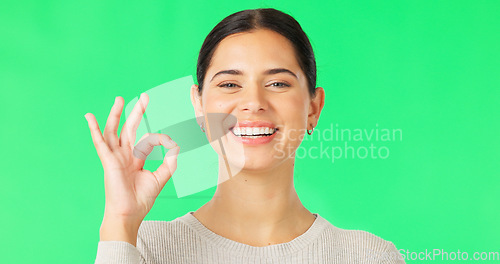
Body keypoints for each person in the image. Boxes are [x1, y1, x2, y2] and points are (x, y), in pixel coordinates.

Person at [85, 8, 405, 264]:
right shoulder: (141, 250)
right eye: (229, 84)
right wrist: (120, 222)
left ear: (313, 108)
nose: (253, 103)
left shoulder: (369, 257)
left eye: (278, 83)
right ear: (199, 106)